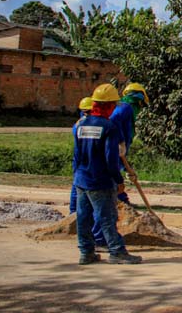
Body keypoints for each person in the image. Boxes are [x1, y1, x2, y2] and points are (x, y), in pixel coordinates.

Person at [73, 84, 142, 265]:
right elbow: (111, 158)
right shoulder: (109, 127)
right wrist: (117, 179)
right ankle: (117, 251)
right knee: (107, 218)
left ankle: (86, 252)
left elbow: (77, 155)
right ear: (110, 106)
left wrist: (77, 176)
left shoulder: (81, 125)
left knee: (83, 218)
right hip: (101, 181)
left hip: (81, 179)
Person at [110, 82, 150, 205]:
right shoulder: (125, 107)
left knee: (115, 172)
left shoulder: (124, 108)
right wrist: (119, 141)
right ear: (139, 100)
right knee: (112, 174)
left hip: (118, 148)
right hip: (114, 147)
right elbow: (113, 121)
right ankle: (120, 199)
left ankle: (120, 199)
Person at [69, 97, 93, 216]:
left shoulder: (78, 123)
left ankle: (73, 212)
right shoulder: (84, 124)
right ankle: (74, 211)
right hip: (85, 158)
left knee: (77, 184)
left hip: (79, 157)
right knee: (79, 186)